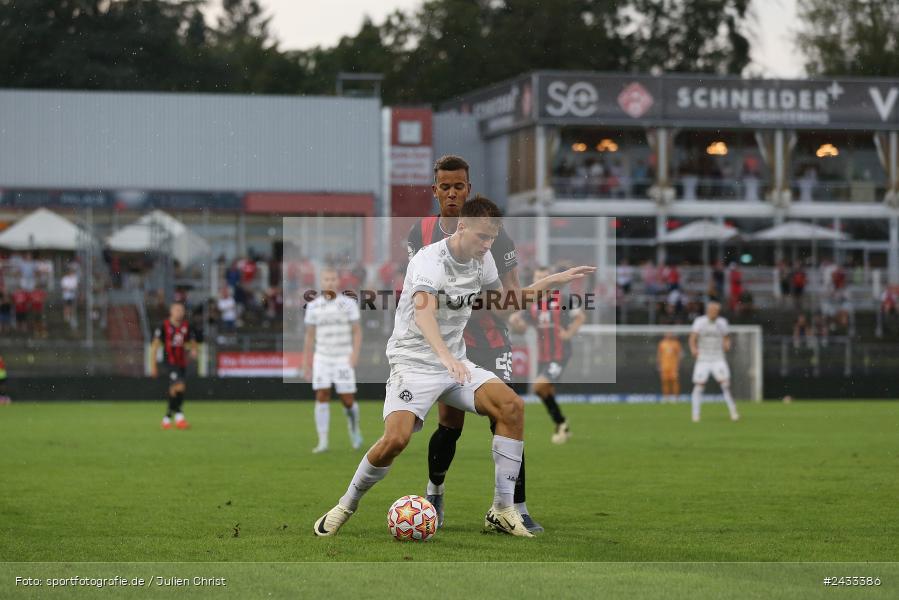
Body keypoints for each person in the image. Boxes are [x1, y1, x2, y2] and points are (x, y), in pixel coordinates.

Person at [313, 196, 592, 538]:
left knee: (511, 407)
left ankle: (502, 510)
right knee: (396, 440)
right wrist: (445, 357)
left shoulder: (483, 260)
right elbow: (423, 312)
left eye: (492, 238)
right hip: (413, 361)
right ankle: (346, 504)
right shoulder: (430, 261)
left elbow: (502, 307)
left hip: (454, 362)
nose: (487, 244)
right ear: (462, 226)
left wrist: (550, 284)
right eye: (481, 237)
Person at [406, 155, 537, 532]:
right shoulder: (421, 232)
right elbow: (422, 288)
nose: (451, 193)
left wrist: (513, 314)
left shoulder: (496, 232)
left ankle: (515, 507)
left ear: (469, 189)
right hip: (448, 342)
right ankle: (435, 492)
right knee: (450, 424)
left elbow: (509, 292)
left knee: (507, 414)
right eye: (444, 187)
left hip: (492, 340)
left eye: (458, 186)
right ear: (435, 191)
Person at [508, 265, 586, 443]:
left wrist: (568, 333)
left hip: (560, 353)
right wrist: (515, 322)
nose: (540, 281)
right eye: (537, 278)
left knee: (538, 387)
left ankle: (561, 423)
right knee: (544, 391)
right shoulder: (532, 304)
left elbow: (580, 317)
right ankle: (561, 424)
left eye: (543, 277)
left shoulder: (564, 298)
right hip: (543, 354)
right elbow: (522, 328)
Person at [303, 266, 363, 454]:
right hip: (322, 357)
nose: (330, 282)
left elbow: (357, 331)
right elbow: (310, 336)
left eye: (333, 279)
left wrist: (354, 355)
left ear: (338, 281)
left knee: (347, 400)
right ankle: (323, 441)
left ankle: (354, 430)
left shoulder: (348, 304)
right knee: (322, 395)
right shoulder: (313, 306)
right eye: (326, 279)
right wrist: (307, 362)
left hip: (342, 358)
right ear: (321, 283)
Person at [688, 300, 739, 423]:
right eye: (711, 310)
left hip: (718, 358)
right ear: (707, 311)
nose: (713, 312)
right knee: (699, 386)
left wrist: (727, 345)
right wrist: (693, 349)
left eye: (716, 310)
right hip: (703, 358)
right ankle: (695, 415)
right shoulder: (700, 322)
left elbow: (727, 338)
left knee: (725, 384)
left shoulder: (722, 323)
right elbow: (692, 338)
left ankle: (733, 412)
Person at [150, 302, 198, 430]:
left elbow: (193, 341)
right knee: (180, 386)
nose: (179, 312)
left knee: (174, 390)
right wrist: (153, 365)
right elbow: (154, 346)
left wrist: (194, 350)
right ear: (171, 311)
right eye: (177, 310)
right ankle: (179, 418)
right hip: (169, 363)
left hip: (181, 362)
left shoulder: (187, 326)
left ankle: (167, 419)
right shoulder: (163, 326)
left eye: (181, 310)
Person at [657, 332, 683, 404]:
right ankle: (666, 398)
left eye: (670, 334)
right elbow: (659, 355)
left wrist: (678, 364)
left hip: (673, 366)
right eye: (668, 333)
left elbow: (680, 355)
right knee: (665, 382)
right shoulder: (662, 343)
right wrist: (659, 365)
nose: (669, 335)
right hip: (664, 366)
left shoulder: (676, 343)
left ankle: (676, 398)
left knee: (675, 382)